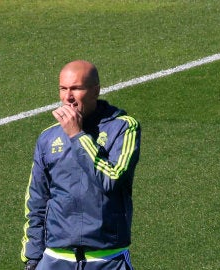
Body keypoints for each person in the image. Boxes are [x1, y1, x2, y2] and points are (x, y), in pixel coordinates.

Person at [21, 60, 141, 270]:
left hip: (107, 260)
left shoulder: (123, 128)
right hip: (54, 259)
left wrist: (77, 135)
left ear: (96, 91)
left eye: (76, 88)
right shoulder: (48, 138)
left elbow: (111, 179)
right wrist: (33, 258)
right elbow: (37, 201)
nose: (68, 97)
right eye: (63, 89)